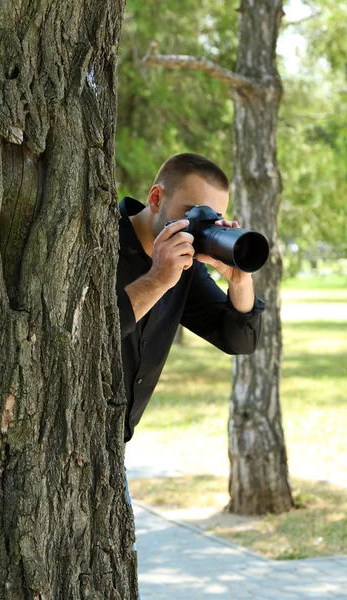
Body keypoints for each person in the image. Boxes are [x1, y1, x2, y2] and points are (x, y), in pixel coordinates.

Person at [117, 153, 265, 593]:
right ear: (157, 197)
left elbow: (238, 339)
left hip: (109, 449)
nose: (200, 228)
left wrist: (239, 280)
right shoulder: (95, 238)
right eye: (192, 214)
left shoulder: (183, 265)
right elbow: (83, 333)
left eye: (211, 218)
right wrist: (158, 278)